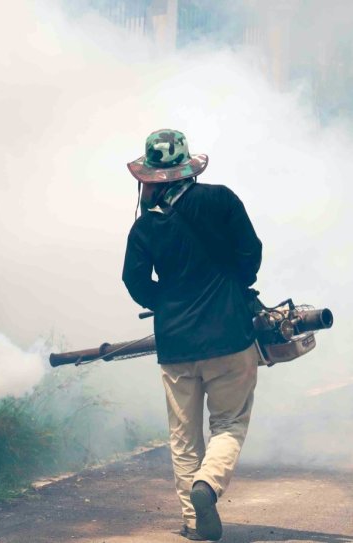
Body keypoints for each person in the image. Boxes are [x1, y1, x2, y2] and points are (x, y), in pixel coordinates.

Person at [121, 129, 263, 541]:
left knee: (183, 437)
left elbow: (133, 281)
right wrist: (235, 287)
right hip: (231, 336)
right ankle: (208, 486)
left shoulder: (144, 228)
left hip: (175, 343)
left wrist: (164, 303)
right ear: (187, 170)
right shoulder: (221, 199)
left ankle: (192, 520)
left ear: (151, 178)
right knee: (229, 424)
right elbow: (250, 254)